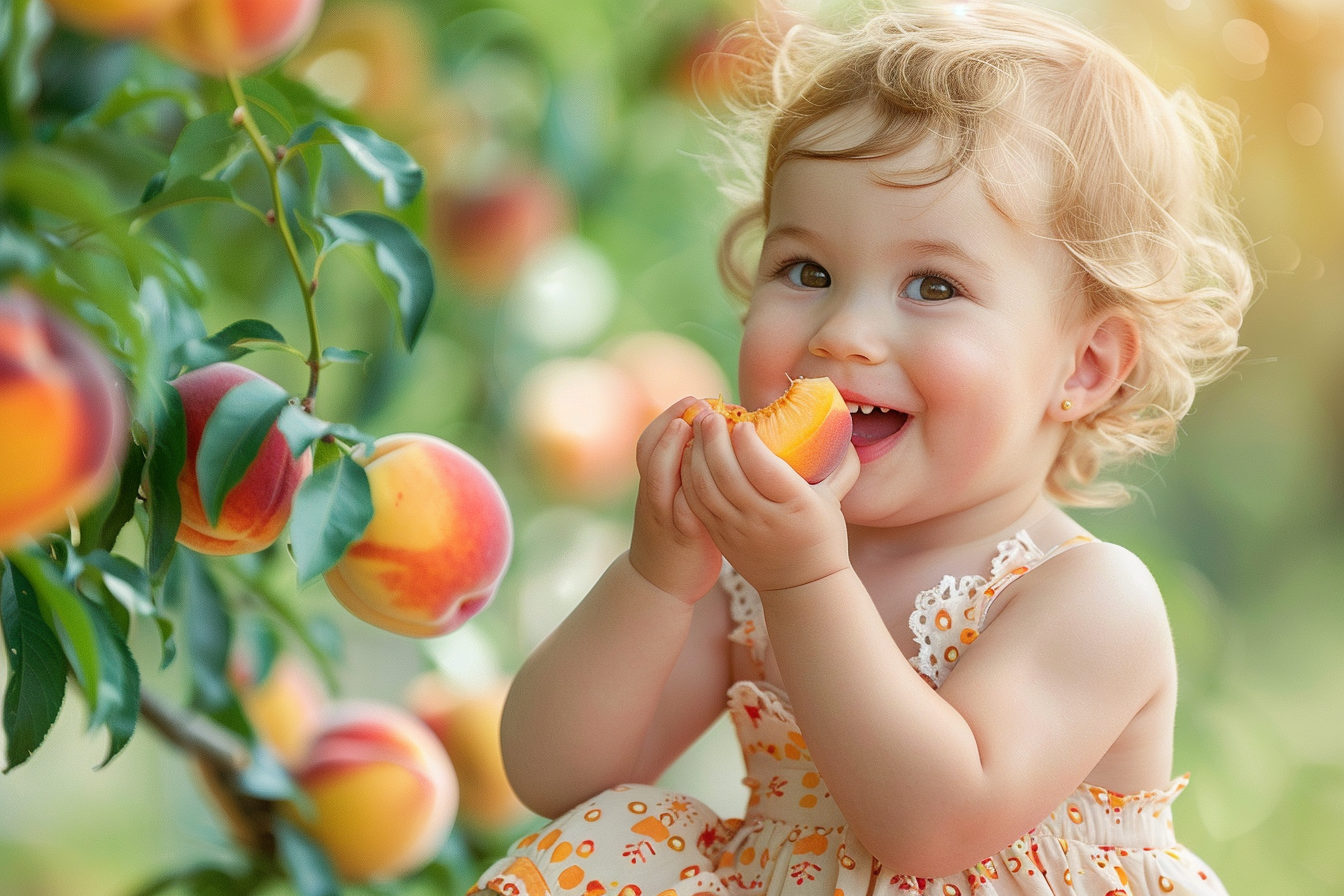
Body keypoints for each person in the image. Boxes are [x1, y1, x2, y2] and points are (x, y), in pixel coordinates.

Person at [472, 2, 1252, 894]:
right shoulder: (748, 575)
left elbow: (932, 828)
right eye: (807, 271)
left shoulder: (1088, 601)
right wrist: (658, 574)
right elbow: (558, 779)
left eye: (932, 284)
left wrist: (806, 581)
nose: (844, 333)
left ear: (1082, 367)